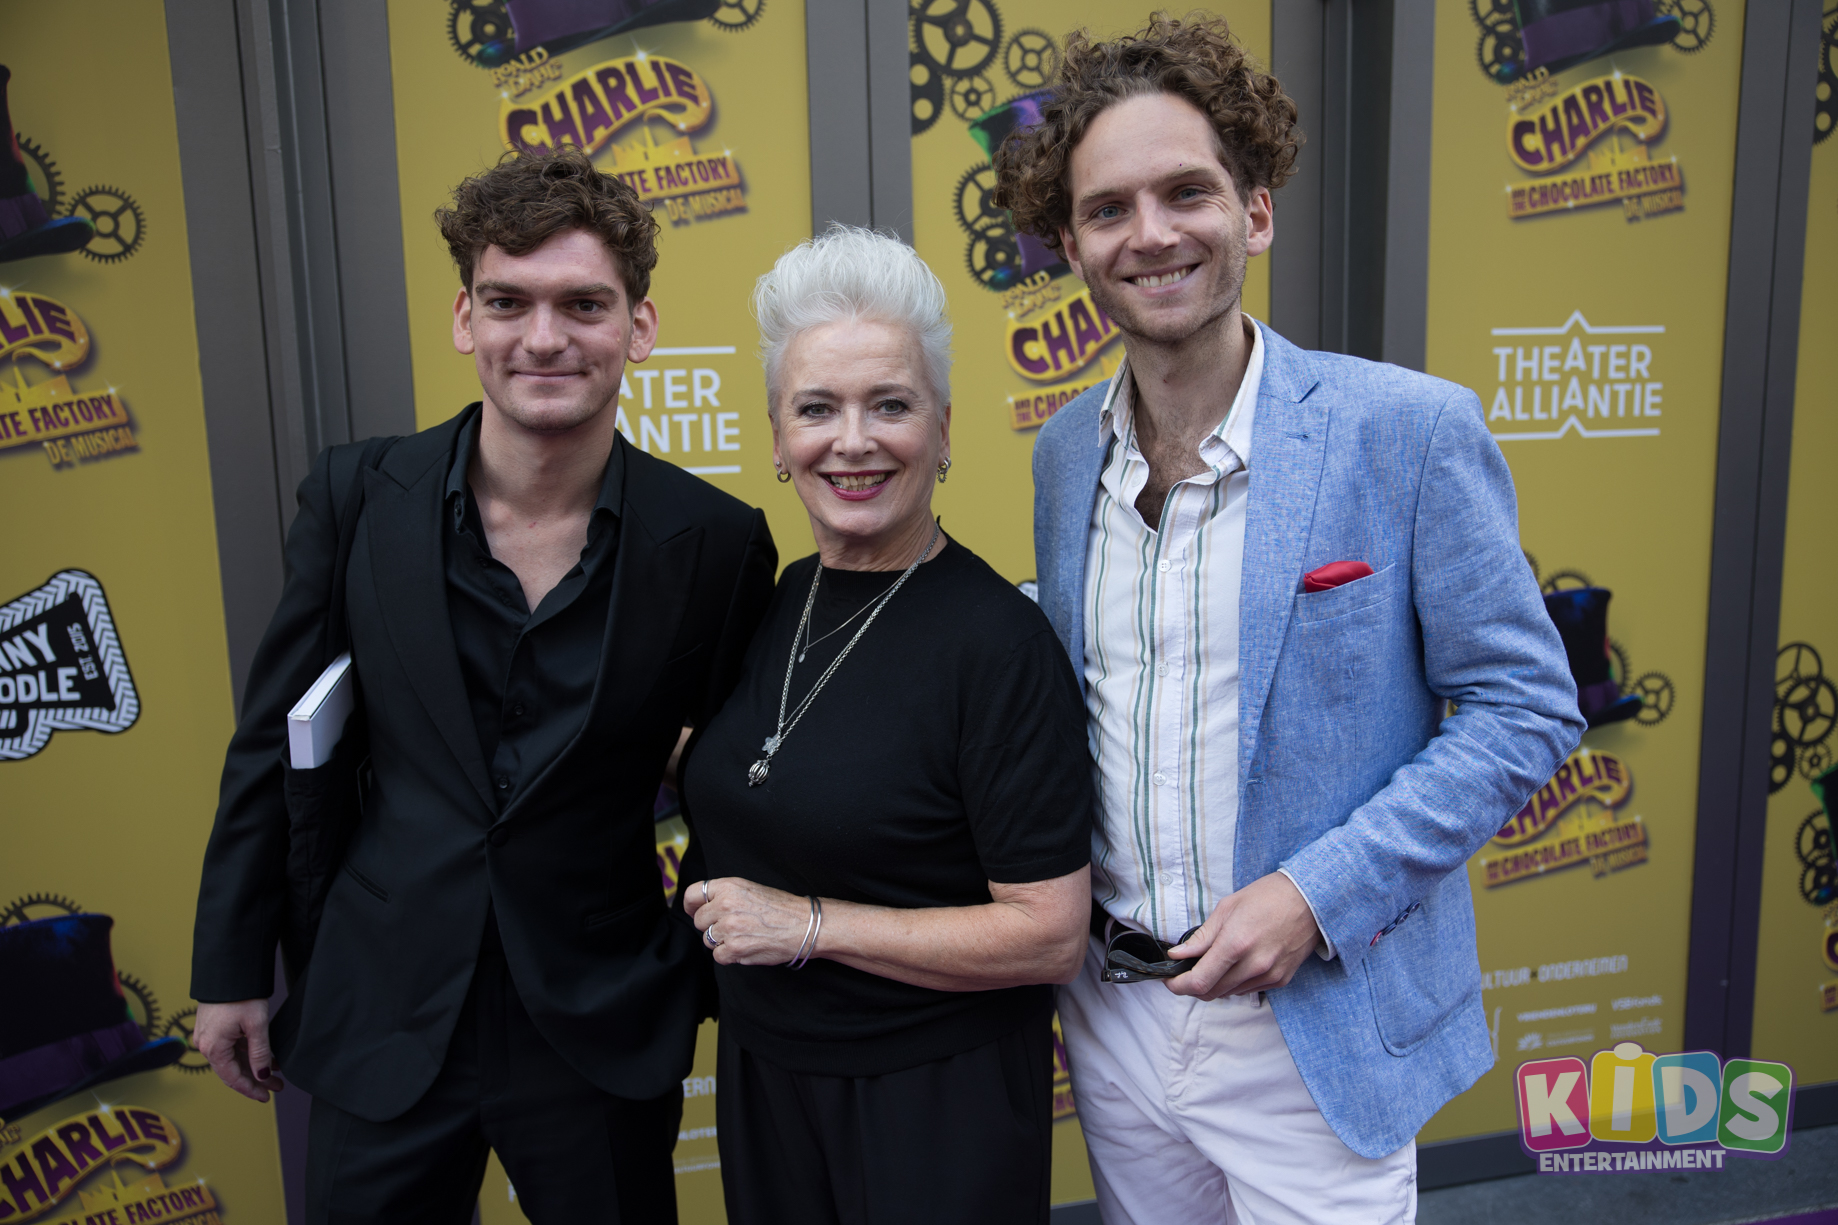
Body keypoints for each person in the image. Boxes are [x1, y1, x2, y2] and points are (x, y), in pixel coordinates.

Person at [993, 15, 1584, 1224]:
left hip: (1314, 1019)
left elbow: (1524, 706)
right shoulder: (1061, 454)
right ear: (1070, 246)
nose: (1150, 233)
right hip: (1112, 1011)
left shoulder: (1404, 430)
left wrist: (1315, 895)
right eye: (1107, 209)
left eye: (1186, 192)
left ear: (1254, 213)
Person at [189, 147, 776, 1225]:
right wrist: (232, 965)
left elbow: (741, 781)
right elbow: (275, 739)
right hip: (382, 1001)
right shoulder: (357, 497)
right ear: (466, 318)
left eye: (583, 304)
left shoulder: (716, 543)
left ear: (639, 327)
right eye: (508, 301)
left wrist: (689, 966)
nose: (543, 338)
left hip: (599, 1013)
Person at [678, 225, 1094, 1225]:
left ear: (943, 429)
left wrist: (807, 926)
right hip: (770, 1074)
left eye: (890, 405)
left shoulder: (997, 646)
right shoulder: (782, 597)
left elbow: (1047, 935)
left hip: (930, 1097)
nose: (853, 440)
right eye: (817, 407)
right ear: (777, 437)